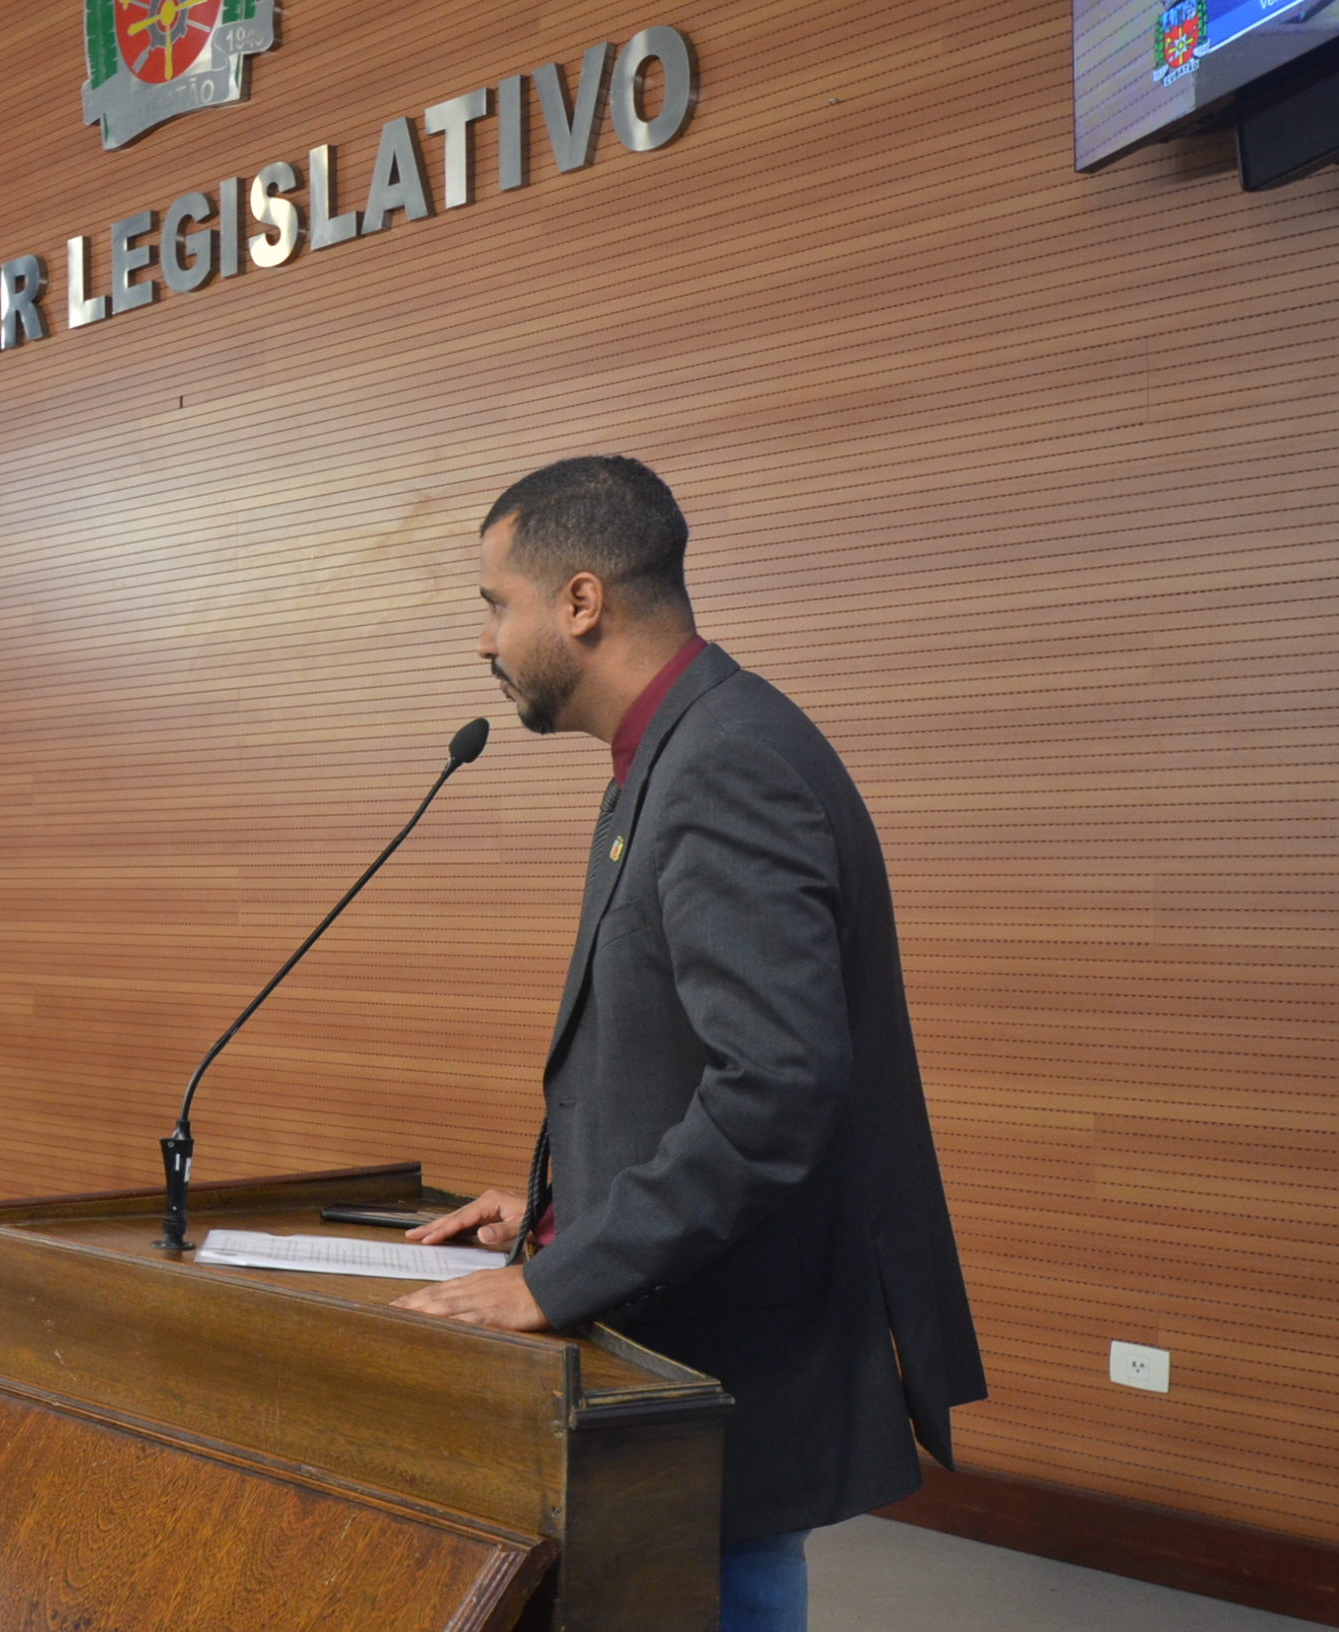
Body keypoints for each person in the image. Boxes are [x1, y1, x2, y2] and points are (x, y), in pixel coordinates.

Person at [390, 457, 986, 1632]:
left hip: (724, 1367)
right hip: (696, 1344)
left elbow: (772, 1089)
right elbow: (682, 1062)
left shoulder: (723, 765)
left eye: (494, 605)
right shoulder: (671, 755)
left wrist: (552, 1282)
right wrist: (559, 1209)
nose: (483, 644)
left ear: (579, 602)